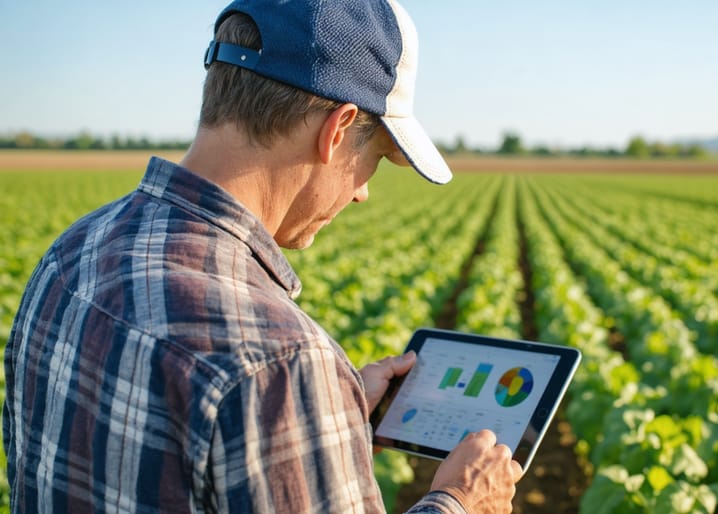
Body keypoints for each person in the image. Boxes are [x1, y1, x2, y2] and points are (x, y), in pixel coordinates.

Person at [2, 0, 523, 512]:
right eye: (378, 159)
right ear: (337, 130)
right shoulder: (281, 361)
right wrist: (458, 503)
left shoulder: (70, 253)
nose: (363, 191)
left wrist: (322, 422)